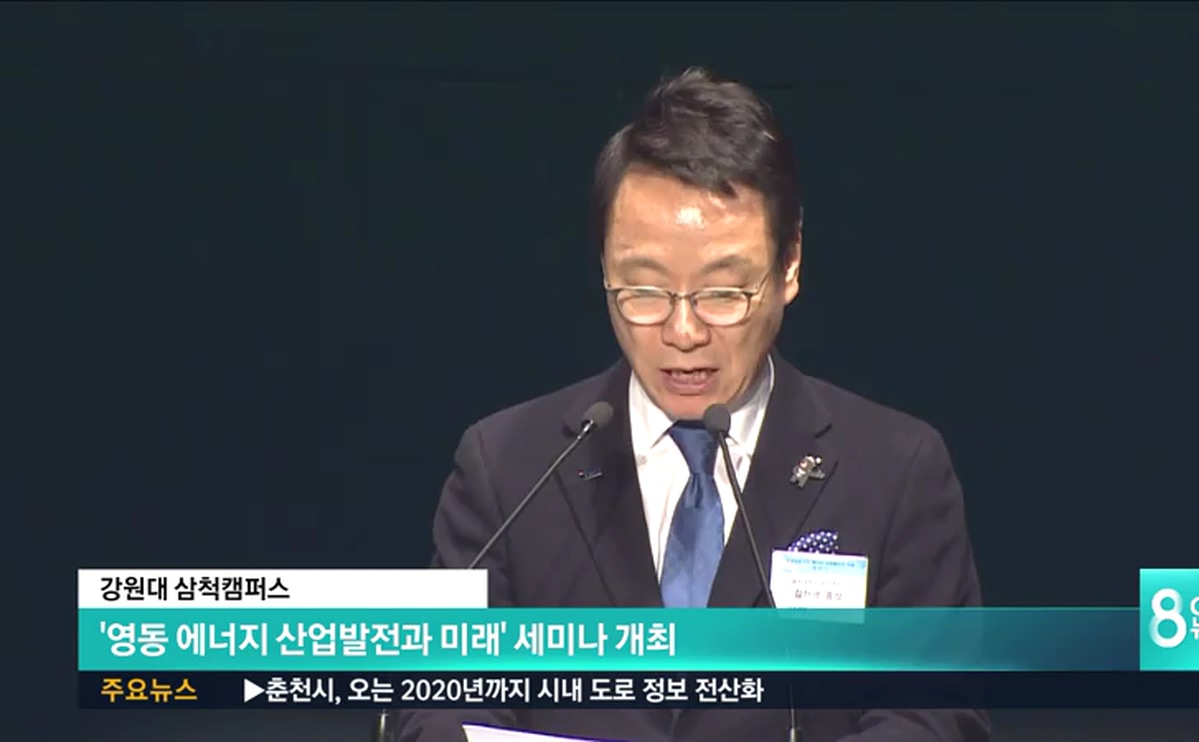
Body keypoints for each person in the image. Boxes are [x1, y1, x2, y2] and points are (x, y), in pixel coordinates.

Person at [397, 67, 989, 742]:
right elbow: (436, 701)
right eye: (644, 291)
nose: (683, 333)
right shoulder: (507, 469)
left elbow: (932, 714)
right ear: (604, 268)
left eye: (722, 293)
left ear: (789, 264)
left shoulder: (894, 473)